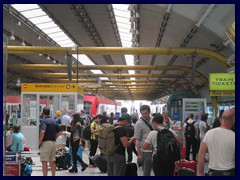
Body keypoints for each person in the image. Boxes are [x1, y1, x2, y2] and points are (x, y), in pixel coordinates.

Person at [198, 108, 235, 176]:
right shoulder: (234, 136)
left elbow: (201, 155)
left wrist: (200, 174)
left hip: (213, 173)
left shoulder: (209, 133)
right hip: (230, 173)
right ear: (233, 120)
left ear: (221, 119)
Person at [39, 107, 62, 176]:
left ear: (43, 113)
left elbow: (43, 131)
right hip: (53, 143)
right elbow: (60, 131)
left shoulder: (43, 121)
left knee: (44, 161)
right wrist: (55, 137)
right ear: (49, 113)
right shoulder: (53, 121)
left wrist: (40, 141)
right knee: (52, 161)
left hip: (46, 143)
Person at [134, 105, 153, 176]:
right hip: (145, 151)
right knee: (146, 171)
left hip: (156, 150)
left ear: (149, 112)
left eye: (146, 113)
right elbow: (137, 139)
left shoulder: (154, 120)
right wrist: (139, 154)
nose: (144, 115)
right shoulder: (139, 123)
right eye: (142, 114)